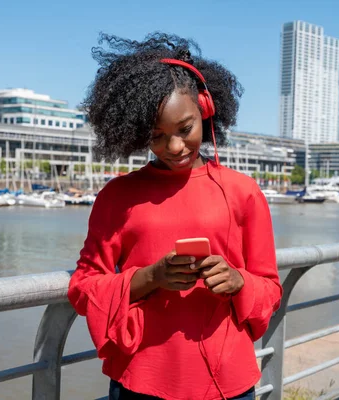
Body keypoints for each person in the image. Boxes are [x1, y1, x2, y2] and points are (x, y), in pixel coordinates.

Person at [67, 32, 282, 400]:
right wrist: (151, 277)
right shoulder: (117, 196)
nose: (175, 147)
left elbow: (270, 289)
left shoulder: (244, 192)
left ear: (206, 110)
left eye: (185, 129)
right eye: (157, 136)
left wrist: (238, 281)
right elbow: (85, 286)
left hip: (229, 383)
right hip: (141, 382)